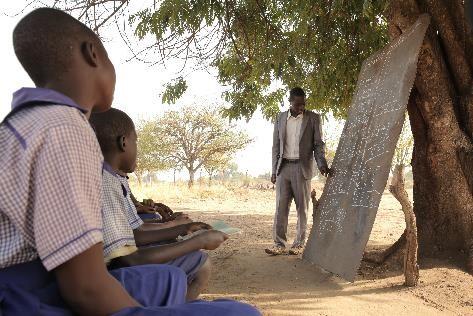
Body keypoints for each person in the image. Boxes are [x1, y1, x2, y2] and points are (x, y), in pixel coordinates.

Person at [0, 7, 260, 316]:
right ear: (92, 53)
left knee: (167, 280)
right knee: (240, 313)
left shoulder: (28, 123)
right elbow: (85, 290)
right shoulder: (65, 129)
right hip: (29, 299)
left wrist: (183, 227)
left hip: (40, 283)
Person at [90, 108, 228, 300]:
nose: (137, 148)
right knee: (201, 263)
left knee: (178, 248)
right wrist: (198, 241)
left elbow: (134, 232)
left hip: (112, 265)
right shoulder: (105, 182)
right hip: (109, 278)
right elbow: (130, 260)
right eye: (135, 141)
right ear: (124, 143)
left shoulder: (108, 177)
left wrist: (183, 229)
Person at [266, 87, 332, 256]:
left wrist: (322, 163)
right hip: (284, 168)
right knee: (281, 208)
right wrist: (274, 170)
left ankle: (298, 244)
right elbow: (275, 146)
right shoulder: (280, 118)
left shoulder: (314, 118)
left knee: (302, 208)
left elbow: (318, 144)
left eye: (303, 104)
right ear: (290, 102)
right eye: (297, 105)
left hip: (302, 169)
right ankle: (279, 244)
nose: (300, 108)